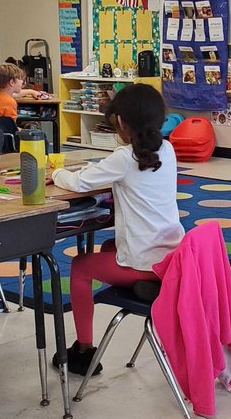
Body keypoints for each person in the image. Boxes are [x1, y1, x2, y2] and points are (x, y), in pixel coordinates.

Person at [48, 84, 183, 376]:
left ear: (121, 122)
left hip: (145, 261)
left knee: (80, 266)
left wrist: (55, 172)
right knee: (108, 248)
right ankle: (146, 285)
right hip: (172, 257)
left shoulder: (124, 157)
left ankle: (84, 350)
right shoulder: (168, 149)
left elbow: (80, 182)